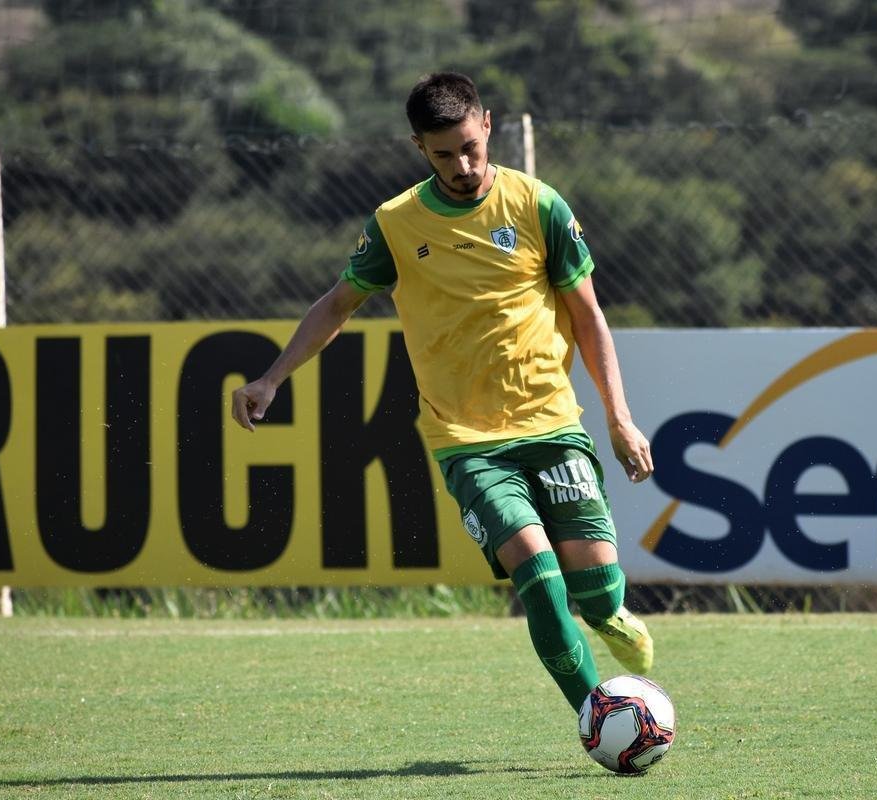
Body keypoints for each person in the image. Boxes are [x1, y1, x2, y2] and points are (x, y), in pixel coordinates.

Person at [230, 71, 654, 713]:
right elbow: (338, 303)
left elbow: (589, 316)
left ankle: (608, 613)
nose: (461, 164)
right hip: (466, 440)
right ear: (417, 149)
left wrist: (619, 418)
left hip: (552, 423)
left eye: (469, 147)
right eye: (442, 153)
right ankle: (600, 713)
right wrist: (271, 377)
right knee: (538, 581)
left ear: (487, 124)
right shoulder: (397, 224)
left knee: (595, 593)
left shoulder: (539, 204)